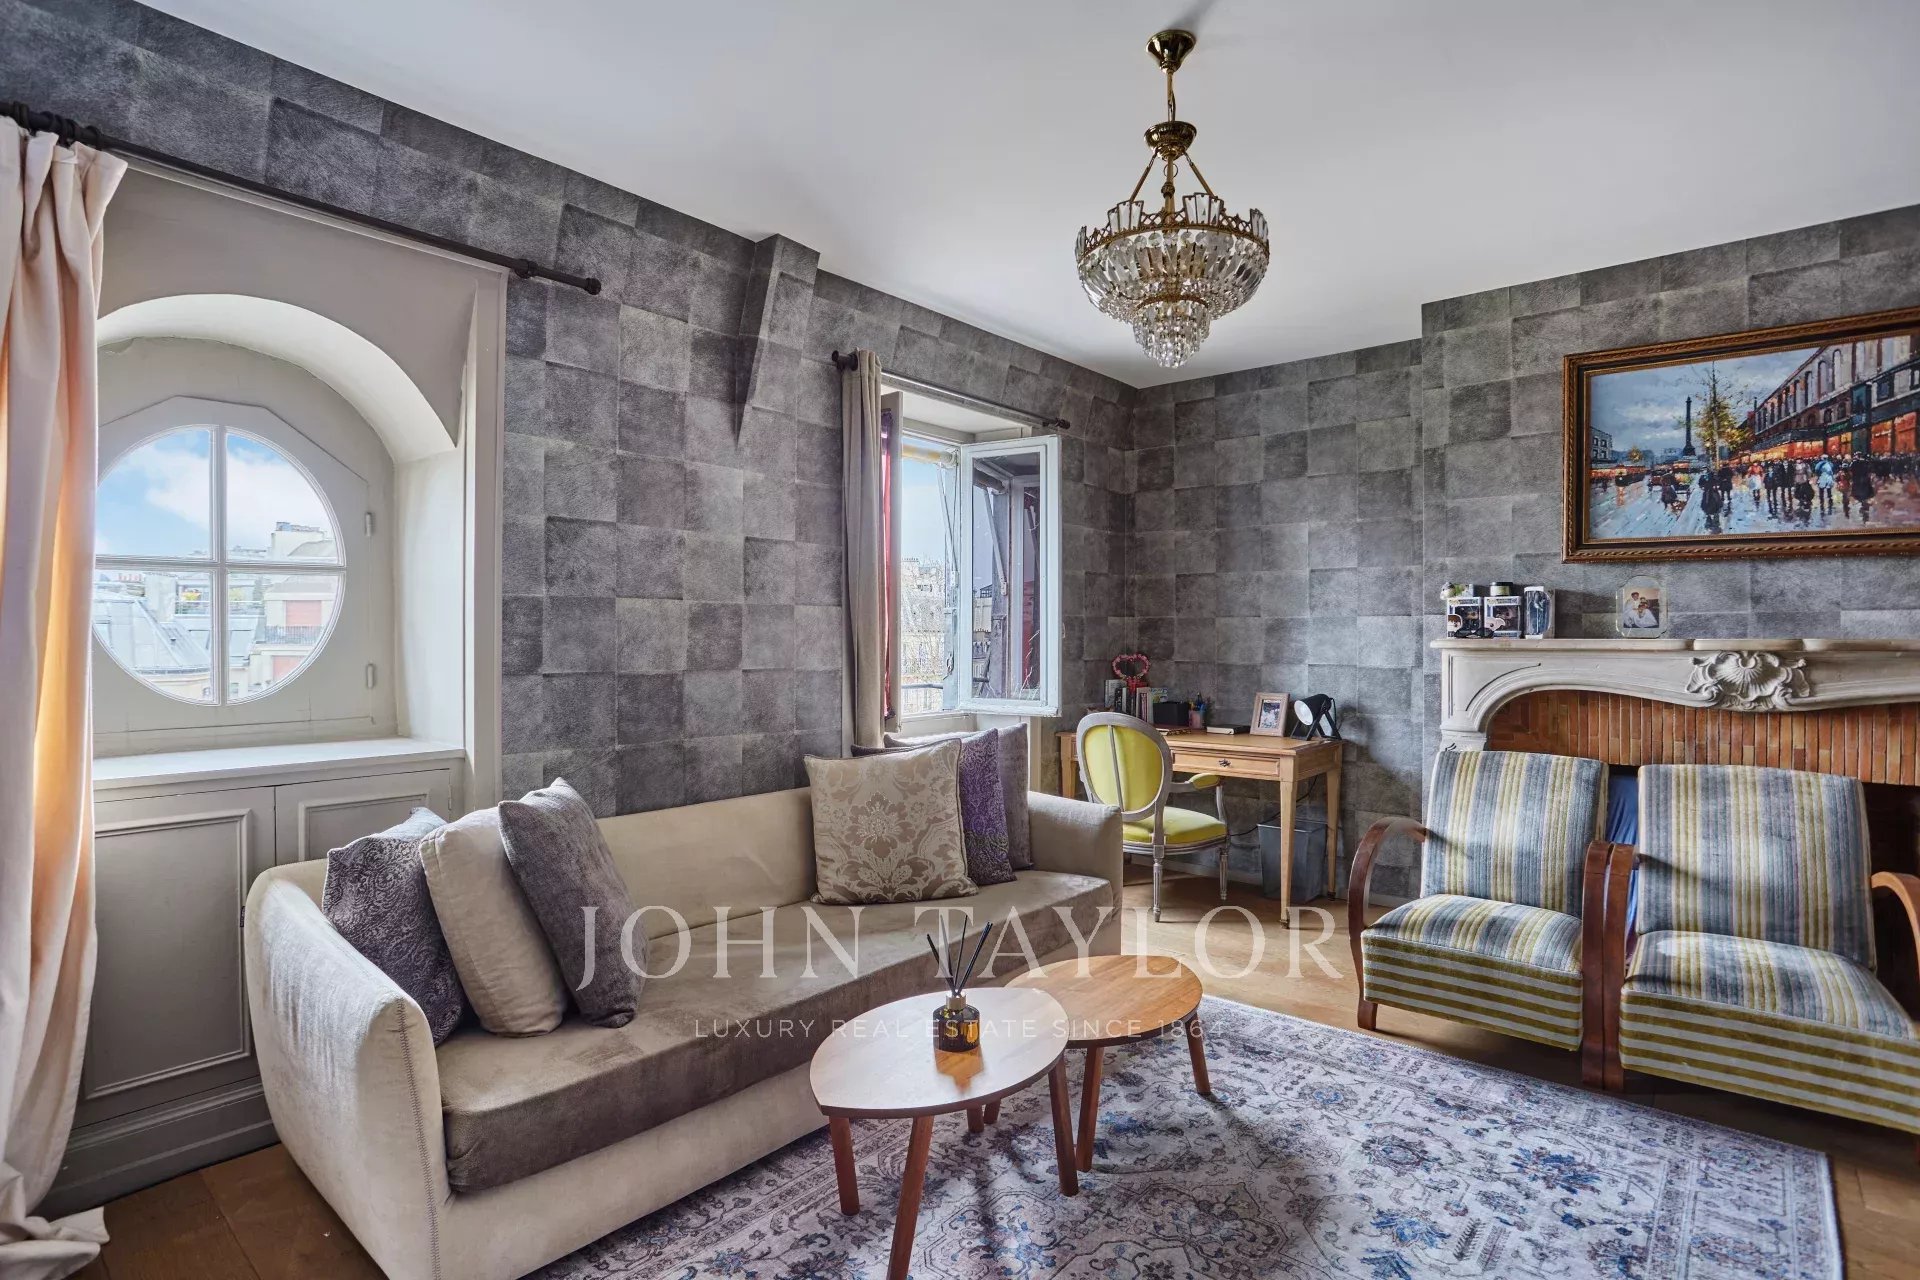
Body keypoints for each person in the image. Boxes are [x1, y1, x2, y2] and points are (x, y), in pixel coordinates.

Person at [1851, 453, 1876, 522]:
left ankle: (1863, 507)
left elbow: (1851, 472)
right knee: (1866, 495)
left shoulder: (1854, 463)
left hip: (1857, 482)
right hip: (1865, 482)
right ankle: (1865, 510)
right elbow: (1871, 473)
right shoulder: (1867, 463)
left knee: (1859, 495)